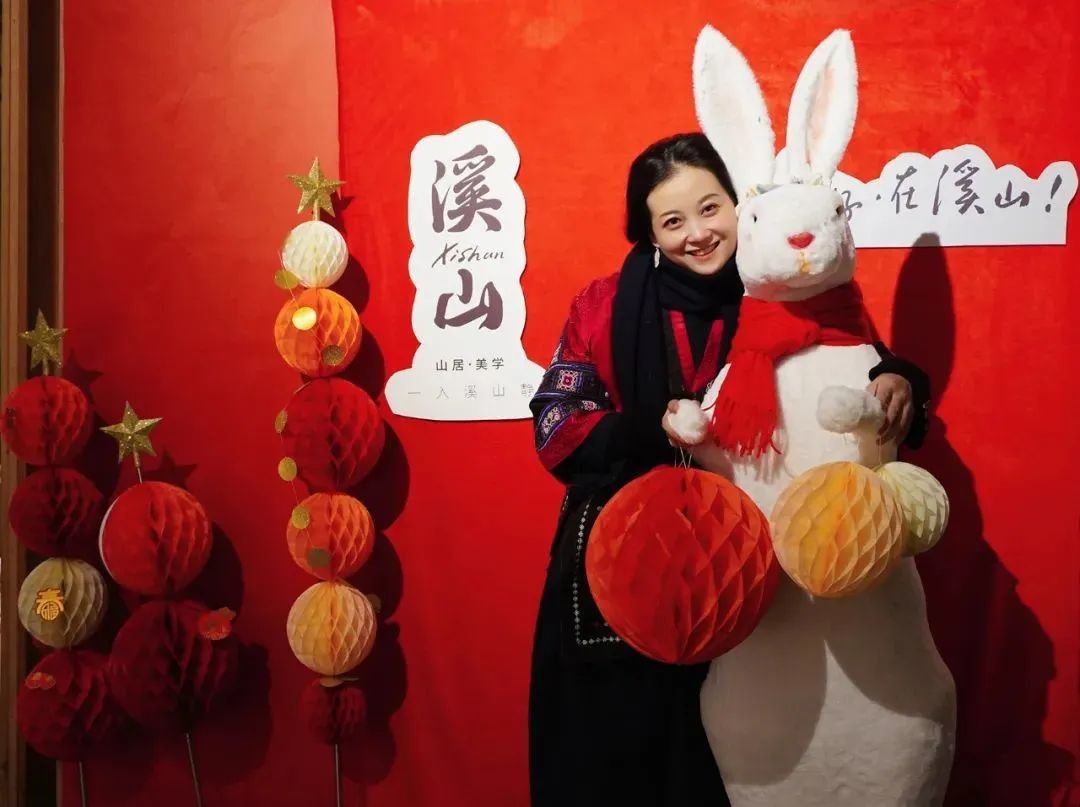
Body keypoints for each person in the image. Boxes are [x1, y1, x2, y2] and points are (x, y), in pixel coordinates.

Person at [526, 132, 930, 807]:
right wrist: (652, 425)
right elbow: (555, 422)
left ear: (741, 202)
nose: (698, 233)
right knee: (609, 768)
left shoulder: (782, 290)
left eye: (711, 208)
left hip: (756, 574)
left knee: (740, 770)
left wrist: (899, 378)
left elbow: (857, 357)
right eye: (672, 220)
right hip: (626, 564)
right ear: (649, 232)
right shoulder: (602, 305)